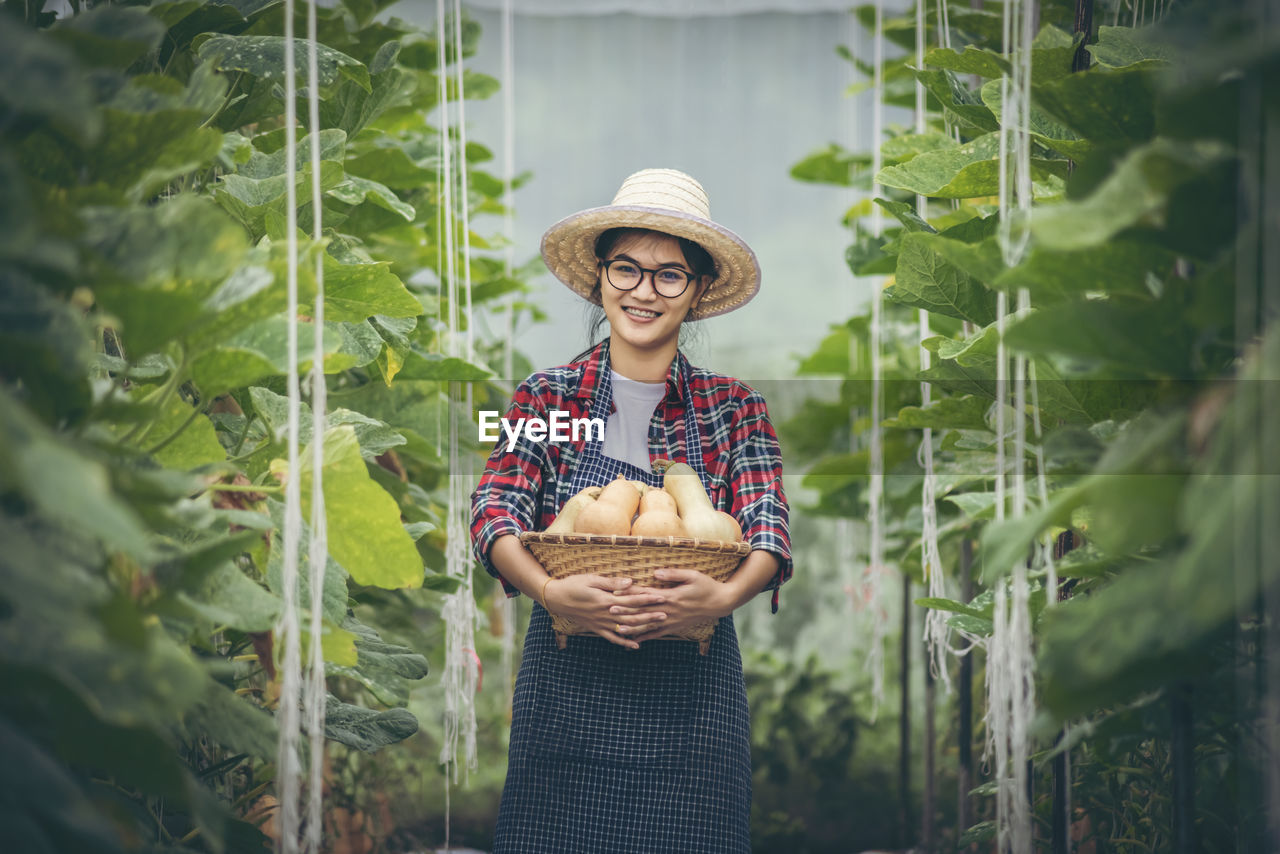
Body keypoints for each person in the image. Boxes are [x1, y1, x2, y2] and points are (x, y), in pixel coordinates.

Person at [470, 168, 792, 853]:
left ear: (699, 290)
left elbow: (768, 523)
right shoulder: (549, 401)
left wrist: (719, 599)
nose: (644, 291)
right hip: (566, 706)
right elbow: (496, 506)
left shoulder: (733, 409)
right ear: (599, 276)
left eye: (670, 274)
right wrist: (553, 589)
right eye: (627, 268)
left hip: (693, 716)